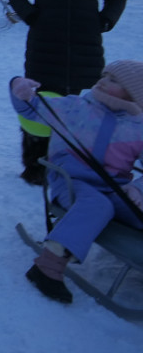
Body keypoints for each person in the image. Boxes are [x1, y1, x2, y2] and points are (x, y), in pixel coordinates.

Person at [9, 0, 126, 185]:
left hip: (87, 44)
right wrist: (34, 16)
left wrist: (104, 21)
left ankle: (82, 164)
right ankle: (36, 165)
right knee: (42, 101)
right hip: (44, 44)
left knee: (87, 105)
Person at [10, 61, 143, 304]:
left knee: (134, 207)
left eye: (113, 80)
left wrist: (137, 188)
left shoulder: (139, 126)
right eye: (104, 75)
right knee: (97, 206)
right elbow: (32, 108)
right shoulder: (77, 106)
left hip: (114, 189)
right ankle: (47, 267)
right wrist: (19, 89)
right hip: (70, 182)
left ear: (134, 93)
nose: (102, 81)